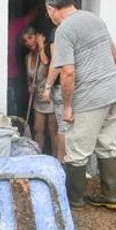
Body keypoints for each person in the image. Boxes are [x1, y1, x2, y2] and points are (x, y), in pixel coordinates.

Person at [45, 0, 116, 210]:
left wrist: (68, 106)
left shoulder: (64, 30)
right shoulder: (94, 19)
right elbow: (114, 54)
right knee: (107, 145)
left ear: (52, 9)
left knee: (76, 151)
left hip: (90, 100)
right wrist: (104, 80)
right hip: (113, 93)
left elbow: (68, 73)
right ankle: (111, 196)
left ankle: (74, 200)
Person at [21, 27, 59, 154]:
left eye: (30, 38)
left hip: (49, 96)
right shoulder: (28, 57)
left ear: (37, 37)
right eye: (25, 41)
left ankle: (56, 159)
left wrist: (42, 46)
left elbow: (47, 63)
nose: (28, 42)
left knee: (52, 130)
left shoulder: (47, 52)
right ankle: (39, 156)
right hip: (38, 98)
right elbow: (29, 78)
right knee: (38, 129)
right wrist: (29, 86)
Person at [39, 29, 66, 161]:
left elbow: (54, 63)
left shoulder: (57, 32)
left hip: (61, 87)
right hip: (77, 86)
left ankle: (60, 161)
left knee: (60, 128)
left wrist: (47, 88)